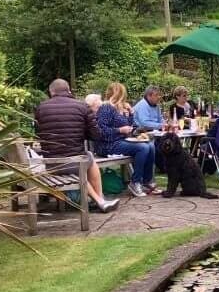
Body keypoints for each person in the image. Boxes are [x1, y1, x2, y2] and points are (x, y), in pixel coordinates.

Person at [34, 79, 118, 212]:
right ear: (69, 90)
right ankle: (100, 199)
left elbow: (38, 134)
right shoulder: (81, 106)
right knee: (88, 158)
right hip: (76, 162)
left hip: (51, 165)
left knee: (83, 161)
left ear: (51, 92)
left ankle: (100, 200)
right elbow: (96, 135)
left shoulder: (40, 108)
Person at [96, 82, 159, 197]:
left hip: (122, 141)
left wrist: (131, 116)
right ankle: (135, 182)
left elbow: (132, 127)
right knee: (143, 148)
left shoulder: (122, 108)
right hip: (108, 145)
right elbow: (101, 131)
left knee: (150, 145)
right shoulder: (106, 108)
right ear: (118, 94)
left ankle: (147, 181)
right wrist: (119, 130)